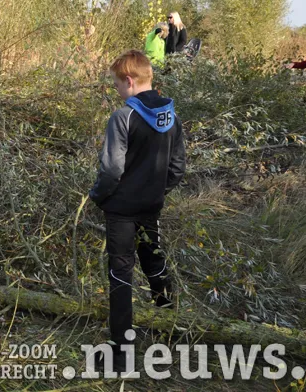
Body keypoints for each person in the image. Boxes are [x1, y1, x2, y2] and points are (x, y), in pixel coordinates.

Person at [88, 49, 185, 371]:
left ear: (129, 81)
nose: (117, 91)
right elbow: (177, 168)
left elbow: (112, 168)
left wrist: (98, 196)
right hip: (151, 205)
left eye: (117, 85)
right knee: (154, 260)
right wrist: (158, 191)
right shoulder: (172, 116)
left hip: (121, 209)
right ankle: (170, 323)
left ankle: (121, 351)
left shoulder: (124, 116)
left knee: (121, 273)